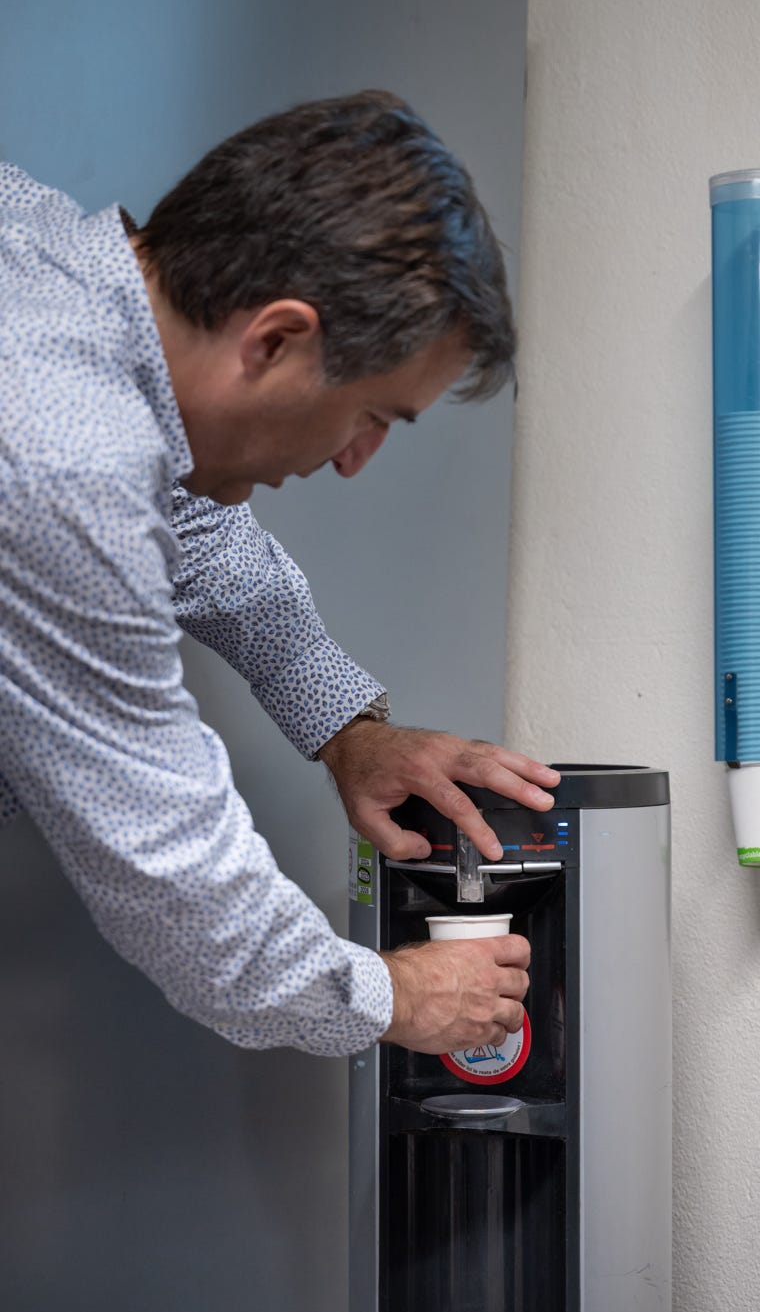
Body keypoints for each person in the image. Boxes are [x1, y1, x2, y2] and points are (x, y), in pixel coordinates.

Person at [0, 90, 559, 1061]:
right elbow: (170, 869)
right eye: (373, 415)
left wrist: (346, 728)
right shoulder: (64, 461)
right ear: (274, 340)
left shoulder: (40, 247)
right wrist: (394, 994)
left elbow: (178, 506)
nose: (354, 462)